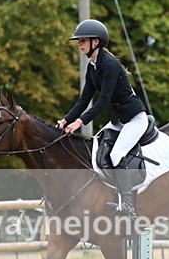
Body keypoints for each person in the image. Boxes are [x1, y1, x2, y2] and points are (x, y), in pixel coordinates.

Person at [57, 19, 147, 217]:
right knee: (97, 149)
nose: (79, 44)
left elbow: (103, 100)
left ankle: (128, 204)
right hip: (118, 120)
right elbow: (84, 100)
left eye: (82, 40)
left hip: (134, 118)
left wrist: (80, 122)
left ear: (95, 42)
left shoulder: (109, 65)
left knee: (116, 155)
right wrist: (65, 120)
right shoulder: (93, 66)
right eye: (78, 40)